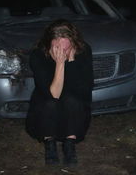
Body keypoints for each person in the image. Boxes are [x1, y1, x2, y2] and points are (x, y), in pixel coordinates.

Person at [25, 19, 94, 165]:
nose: (61, 53)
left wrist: (72, 61)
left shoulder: (84, 51)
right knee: (50, 103)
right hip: (45, 112)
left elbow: (84, 91)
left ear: (74, 44)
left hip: (73, 111)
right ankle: (50, 146)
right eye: (57, 48)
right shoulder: (38, 55)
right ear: (49, 44)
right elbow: (54, 94)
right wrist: (60, 64)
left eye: (66, 49)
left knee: (72, 101)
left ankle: (69, 146)